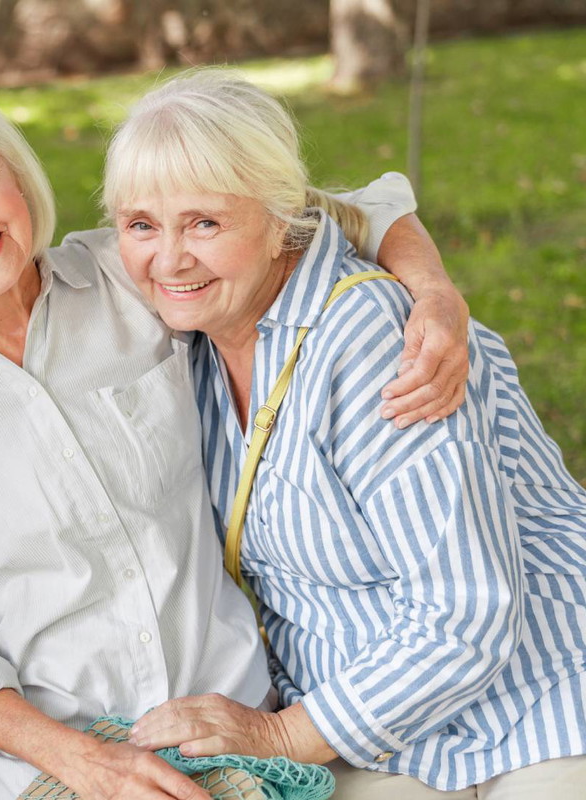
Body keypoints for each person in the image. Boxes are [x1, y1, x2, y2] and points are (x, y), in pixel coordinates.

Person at [0, 74, 471, 800]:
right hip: (53, 768)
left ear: (17, 173)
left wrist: (433, 291)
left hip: (234, 728)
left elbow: (351, 210)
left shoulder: (139, 268)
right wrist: (82, 763)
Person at [110, 70, 586, 798]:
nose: (168, 258)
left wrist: (281, 734)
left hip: (534, 702)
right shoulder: (205, 331)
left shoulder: (370, 341)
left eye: (205, 222)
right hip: (381, 730)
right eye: (141, 224)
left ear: (280, 221)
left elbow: (467, 612)